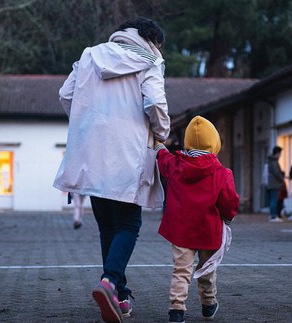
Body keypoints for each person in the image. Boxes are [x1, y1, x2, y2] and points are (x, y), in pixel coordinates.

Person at [53, 17, 170, 323]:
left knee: (108, 227)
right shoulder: (151, 60)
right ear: (152, 40)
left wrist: (85, 123)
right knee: (129, 226)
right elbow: (155, 103)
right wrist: (162, 133)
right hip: (127, 153)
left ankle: (118, 294)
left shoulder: (90, 54)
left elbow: (66, 95)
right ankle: (109, 282)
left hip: (90, 152)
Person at [155, 116, 239, 323]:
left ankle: (176, 310)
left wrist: (158, 145)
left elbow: (162, 156)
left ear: (188, 142)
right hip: (208, 231)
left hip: (181, 231)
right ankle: (208, 304)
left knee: (181, 270)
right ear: (214, 142)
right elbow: (229, 202)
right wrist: (227, 219)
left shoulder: (175, 165)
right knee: (207, 269)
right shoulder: (222, 173)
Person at [266, 146, 285, 222]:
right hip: (274, 183)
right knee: (274, 200)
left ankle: (272, 215)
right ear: (277, 153)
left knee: (272, 200)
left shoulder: (270, 161)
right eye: (280, 153)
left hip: (271, 183)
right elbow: (276, 172)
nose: (280, 155)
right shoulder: (274, 162)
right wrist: (282, 178)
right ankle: (273, 216)